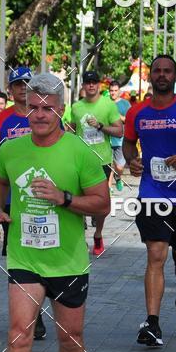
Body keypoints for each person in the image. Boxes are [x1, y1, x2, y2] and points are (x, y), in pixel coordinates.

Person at [0, 73, 110, 352]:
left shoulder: (79, 152)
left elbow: (103, 203)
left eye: (47, 108)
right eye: (33, 107)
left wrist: (64, 198)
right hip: (25, 256)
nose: (39, 114)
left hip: (69, 261)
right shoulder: (12, 149)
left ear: (59, 110)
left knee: (70, 340)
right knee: (18, 336)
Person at [123, 55, 176, 347]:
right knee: (155, 254)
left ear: (175, 77)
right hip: (151, 194)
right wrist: (132, 160)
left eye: (167, 71)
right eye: (157, 71)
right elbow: (128, 141)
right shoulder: (137, 111)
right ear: (150, 76)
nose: (161, 75)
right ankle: (153, 323)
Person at [0, 66, 48, 341]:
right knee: (22, 257)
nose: (22, 88)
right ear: (10, 89)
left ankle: (41, 305)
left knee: (42, 253)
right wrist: (5, 155)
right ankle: (34, 314)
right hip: (13, 201)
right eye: (18, 84)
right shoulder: (1, 120)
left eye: (27, 83)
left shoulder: (45, 116)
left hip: (45, 197)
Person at [69, 70, 122, 256]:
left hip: (102, 160)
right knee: (78, 199)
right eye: (87, 82)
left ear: (99, 85)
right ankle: (80, 239)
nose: (91, 85)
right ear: (83, 85)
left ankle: (98, 234)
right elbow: (71, 129)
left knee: (101, 204)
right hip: (79, 160)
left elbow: (119, 131)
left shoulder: (108, 105)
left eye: (94, 81)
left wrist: (100, 126)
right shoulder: (76, 107)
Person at [108, 80, 131, 192]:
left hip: (120, 139)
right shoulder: (105, 103)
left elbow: (129, 120)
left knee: (119, 166)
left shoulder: (125, 104)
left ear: (119, 91)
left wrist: (117, 116)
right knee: (109, 164)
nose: (113, 93)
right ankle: (108, 187)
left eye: (115, 90)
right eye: (111, 90)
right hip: (106, 138)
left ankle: (118, 177)